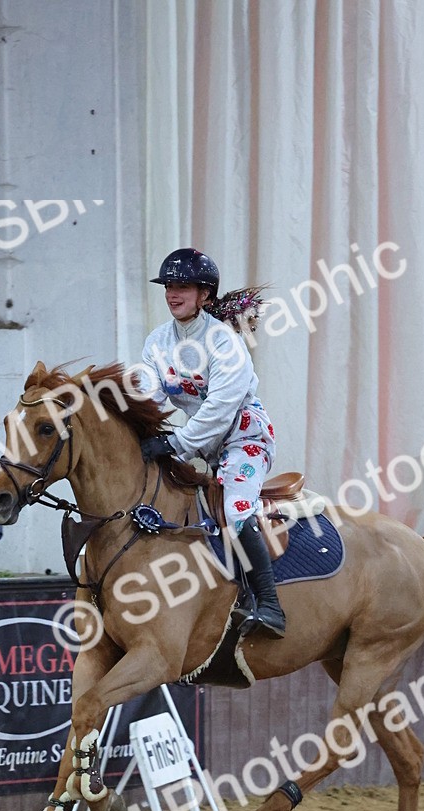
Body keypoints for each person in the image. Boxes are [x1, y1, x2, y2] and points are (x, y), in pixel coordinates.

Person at [139, 247, 286, 638]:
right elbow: (151, 401)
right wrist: (145, 438)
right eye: (169, 286)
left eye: (183, 286)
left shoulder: (224, 341)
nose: (173, 293)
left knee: (237, 512)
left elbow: (221, 408)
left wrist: (177, 444)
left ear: (205, 294)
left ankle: (270, 604)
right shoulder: (156, 343)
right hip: (205, 447)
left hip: (245, 438)